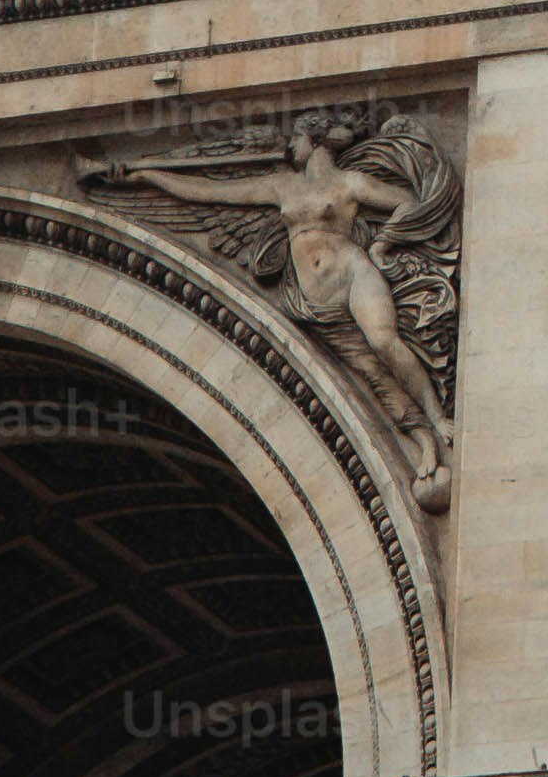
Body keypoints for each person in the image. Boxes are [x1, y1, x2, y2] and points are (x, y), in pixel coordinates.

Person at [95, 125, 455, 499]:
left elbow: (406, 201)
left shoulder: (350, 182)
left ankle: (436, 414)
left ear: (316, 142)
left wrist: (383, 244)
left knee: (383, 340)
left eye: (296, 138)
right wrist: (146, 176)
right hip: (316, 302)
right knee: (370, 372)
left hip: (354, 272)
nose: (289, 145)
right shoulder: (282, 186)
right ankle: (423, 439)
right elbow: (208, 191)